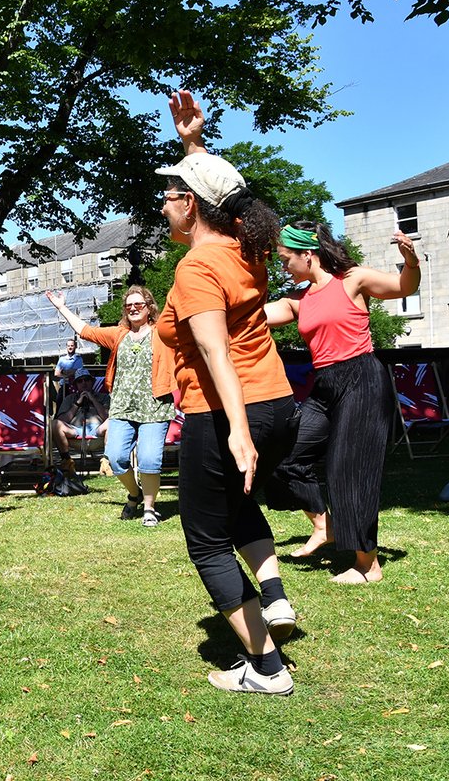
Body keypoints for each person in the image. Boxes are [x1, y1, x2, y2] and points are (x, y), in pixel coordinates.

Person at [153, 90, 299, 695]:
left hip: (224, 411)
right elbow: (223, 197)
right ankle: (275, 599)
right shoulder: (245, 249)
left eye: (168, 196)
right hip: (276, 400)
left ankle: (267, 669)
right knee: (237, 511)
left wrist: (236, 431)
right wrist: (193, 143)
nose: (162, 206)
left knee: (206, 540)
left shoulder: (196, 267)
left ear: (189, 205)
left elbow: (214, 353)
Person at [263, 223, 418, 583]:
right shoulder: (297, 300)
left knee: (348, 469)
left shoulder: (352, 280)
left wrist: (410, 262)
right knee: (284, 454)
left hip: (362, 378)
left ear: (307, 253)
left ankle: (368, 565)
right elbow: (255, 317)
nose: (284, 266)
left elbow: (402, 287)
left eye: (287, 259)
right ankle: (324, 525)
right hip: (326, 384)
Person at [47, 285, 176, 527]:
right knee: (116, 458)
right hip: (122, 408)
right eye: (129, 306)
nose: (134, 308)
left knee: (149, 460)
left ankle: (149, 508)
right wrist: (62, 308)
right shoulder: (119, 334)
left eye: (139, 304)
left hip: (155, 406)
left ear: (149, 307)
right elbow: (86, 331)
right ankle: (135, 494)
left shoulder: (163, 332)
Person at [50, 367, 109, 474]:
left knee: (112, 421)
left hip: (98, 431)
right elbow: (62, 420)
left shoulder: (103, 397)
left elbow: (106, 416)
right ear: (76, 384)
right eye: (80, 381)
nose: (84, 383)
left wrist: (93, 400)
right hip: (75, 431)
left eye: (87, 380)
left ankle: (106, 461)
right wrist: (77, 403)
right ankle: (67, 461)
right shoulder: (69, 398)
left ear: (92, 382)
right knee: (54, 424)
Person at [53, 337, 84, 401]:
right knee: (59, 402)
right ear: (66, 347)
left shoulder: (78, 358)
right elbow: (56, 373)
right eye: (68, 346)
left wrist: (63, 372)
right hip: (63, 386)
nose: (70, 347)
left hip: (75, 386)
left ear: (75, 347)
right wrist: (69, 373)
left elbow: (77, 371)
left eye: (72, 345)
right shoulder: (61, 359)